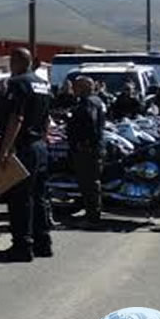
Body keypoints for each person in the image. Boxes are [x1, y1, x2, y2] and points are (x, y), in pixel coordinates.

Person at [0, 48, 53, 262]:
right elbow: (46, 120)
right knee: (39, 196)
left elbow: (16, 118)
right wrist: (42, 141)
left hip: (23, 146)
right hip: (40, 146)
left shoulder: (18, 83)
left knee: (20, 199)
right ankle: (43, 242)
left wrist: (5, 150)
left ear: (17, 62)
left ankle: (22, 247)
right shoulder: (43, 84)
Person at [67, 76, 106, 228]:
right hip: (94, 147)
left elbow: (90, 122)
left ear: (84, 88)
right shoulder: (97, 101)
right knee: (90, 182)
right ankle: (91, 212)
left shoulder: (89, 102)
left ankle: (92, 217)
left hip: (88, 149)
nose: (73, 89)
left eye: (76, 86)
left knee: (89, 182)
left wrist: (85, 143)